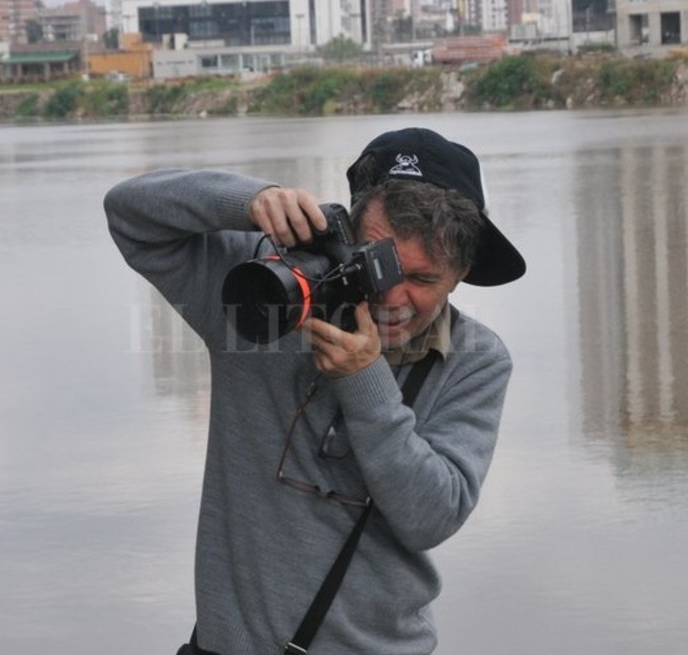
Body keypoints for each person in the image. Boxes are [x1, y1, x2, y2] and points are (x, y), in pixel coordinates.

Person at [105, 127, 525, 655]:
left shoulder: (474, 359)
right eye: (379, 261)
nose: (393, 296)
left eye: (422, 278)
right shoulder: (258, 295)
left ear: (460, 274)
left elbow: (432, 516)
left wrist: (364, 380)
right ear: (347, 231)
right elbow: (129, 215)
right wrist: (249, 201)